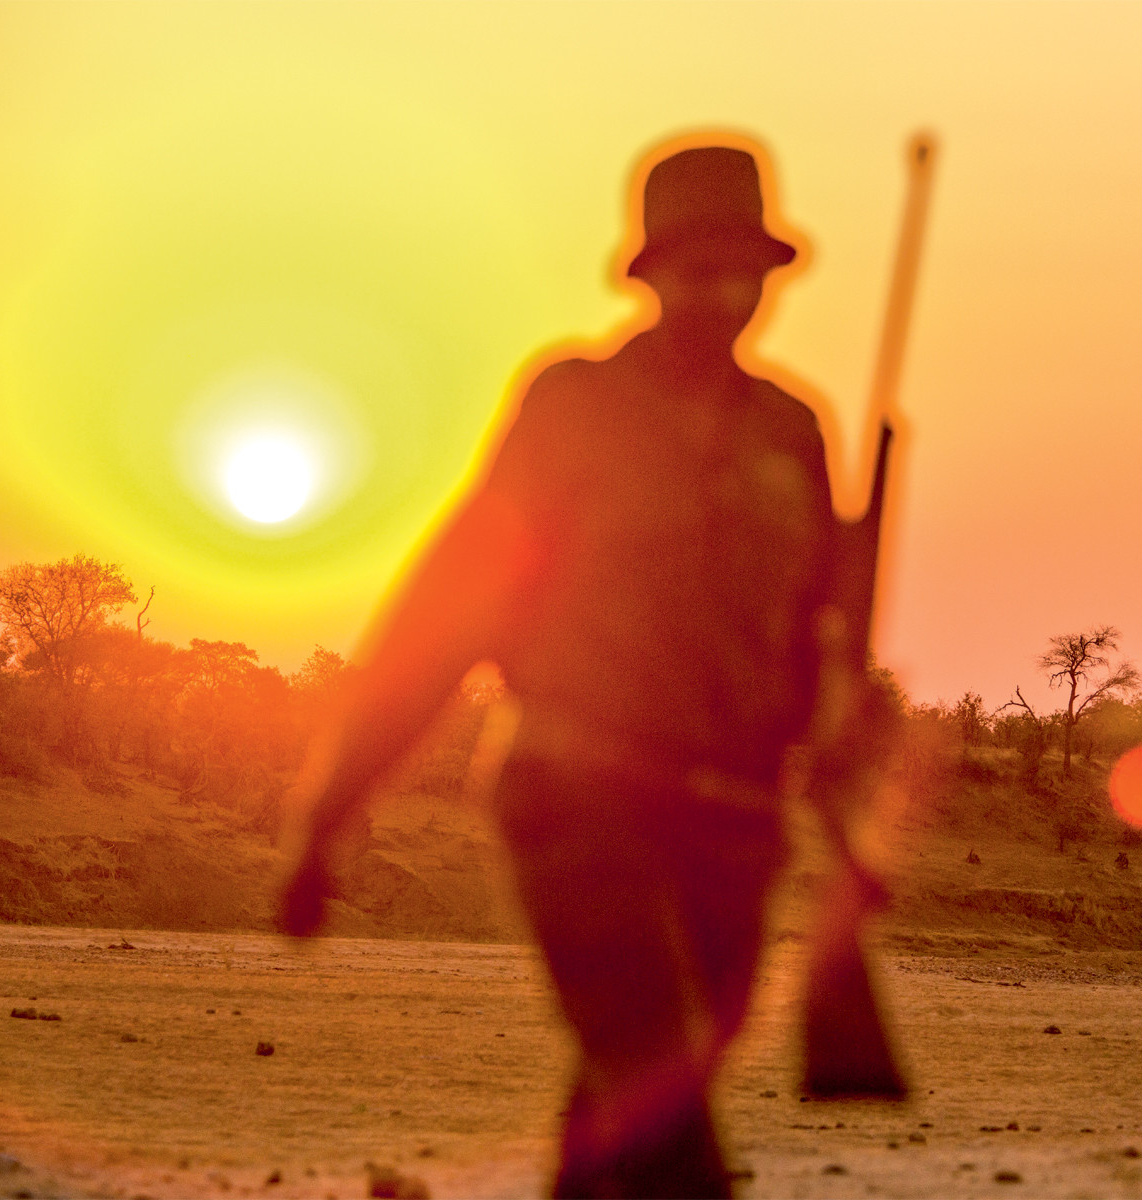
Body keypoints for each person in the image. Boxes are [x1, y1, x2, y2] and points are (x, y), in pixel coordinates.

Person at [280, 136, 856, 1198]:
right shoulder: (572, 408)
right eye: (699, 268)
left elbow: (822, 637)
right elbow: (447, 612)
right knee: (663, 1090)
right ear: (652, 275)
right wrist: (333, 803)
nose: (724, 293)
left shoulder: (795, 432)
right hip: (582, 802)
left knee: (627, 1115)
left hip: (736, 831)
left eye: (744, 271)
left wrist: (847, 778)